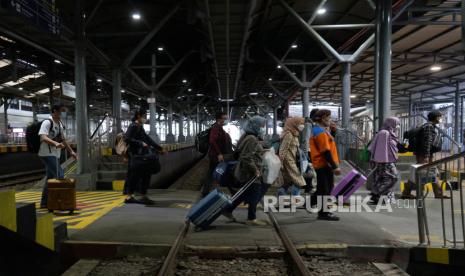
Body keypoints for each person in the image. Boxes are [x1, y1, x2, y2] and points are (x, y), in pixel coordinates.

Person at [223, 116, 269, 226]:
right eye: (262, 126)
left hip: (246, 171)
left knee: (244, 194)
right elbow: (246, 157)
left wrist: (262, 151)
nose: (263, 128)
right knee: (255, 193)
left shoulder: (249, 136)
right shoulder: (252, 138)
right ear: (256, 125)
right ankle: (251, 218)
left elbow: (250, 152)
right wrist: (255, 170)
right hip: (249, 172)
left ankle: (228, 210)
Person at [402, 110, 448, 199]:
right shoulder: (429, 127)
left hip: (424, 154)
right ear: (436, 117)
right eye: (440, 116)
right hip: (424, 154)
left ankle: (438, 193)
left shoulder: (429, 126)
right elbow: (427, 142)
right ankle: (406, 192)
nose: (441, 118)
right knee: (423, 172)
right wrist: (426, 156)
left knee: (430, 172)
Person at [124, 109, 167, 205]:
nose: (145, 118)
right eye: (144, 116)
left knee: (146, 175)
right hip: (136, 156)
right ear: (138, 116)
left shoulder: (139, 126)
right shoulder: (133, 126)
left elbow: (148, 139)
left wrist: (160, 148)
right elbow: (126, 138)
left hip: (142, 156)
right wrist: (140, 143)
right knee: (134, 176)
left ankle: (143, 196)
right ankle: (129, 197)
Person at [39, 104, 77, 208]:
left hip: (55, 154)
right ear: (54, 111)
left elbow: (63, 140)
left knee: (50, 178)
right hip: (46, 153)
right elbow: (43, 137)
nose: (61, 114)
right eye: (60, 111)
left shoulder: (59, 124)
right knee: (60, 176)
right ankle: (60, 202)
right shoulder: (47, 122)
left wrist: (71, 151)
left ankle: (44, 203)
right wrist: (55, 144)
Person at [309, 109, 341, 221]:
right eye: (329, 117)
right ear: (323, 118)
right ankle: (324, 213)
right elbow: (325, 151)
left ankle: (311, 204)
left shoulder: (320, 130)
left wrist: (333, 132)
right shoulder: (320, 132)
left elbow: (329, 145)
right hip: (324, 164)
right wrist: (334, 166)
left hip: (322, 164)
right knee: (326, 189)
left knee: (323, 188)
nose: (330, 120)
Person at [368, 117, 401, 204]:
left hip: (388, 160)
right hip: (384, 161)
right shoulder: (384, 133)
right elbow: (381, 149)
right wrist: (383, 161)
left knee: (383, 178)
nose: (398, 126)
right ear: (391, 123)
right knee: (393, 177)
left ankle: (377, 195)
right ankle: (376, 194)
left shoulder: (390, 133)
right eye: (396, 123)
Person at [203, 111, 233, 196]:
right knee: (220, 171)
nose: (226, 120)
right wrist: (219, 154)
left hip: (216, 155)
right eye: (224, 118)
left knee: (214, 172)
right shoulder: (216, 127)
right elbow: (212, 141)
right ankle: (209, 191)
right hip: (215, 156)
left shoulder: (219, 127)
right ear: (219, 119)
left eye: (226, 119)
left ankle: (207, 191)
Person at [278, 117, 306, 196]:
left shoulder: (295, 134)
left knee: (287, 181)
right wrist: (281, 162)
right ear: (294, 124)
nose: (302, 125)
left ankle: (282, 197)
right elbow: (283, 149)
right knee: (299, 180)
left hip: (292, 160)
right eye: (300, 123)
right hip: (288, 160)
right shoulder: (289, 134)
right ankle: (295, 200)